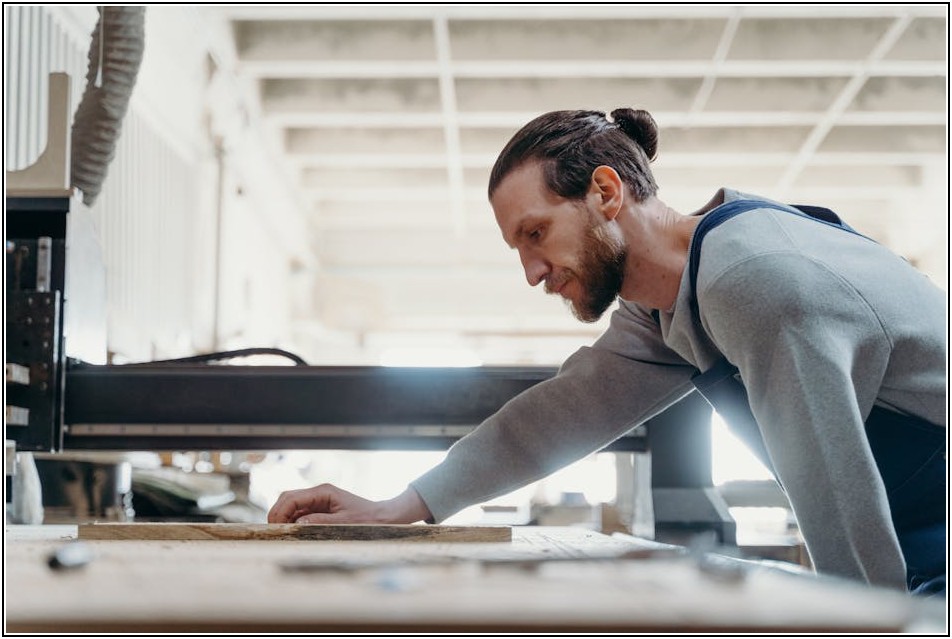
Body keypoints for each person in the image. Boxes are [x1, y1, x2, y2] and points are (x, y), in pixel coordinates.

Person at [269, 108, 947, 596]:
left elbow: (835, 495)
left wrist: (867, 620)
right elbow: (560, 415)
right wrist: (404, 505)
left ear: (605, 191)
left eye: (536, 234)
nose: (533, 272)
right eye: (520, 250)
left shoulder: (752, 280)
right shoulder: (673, 301)